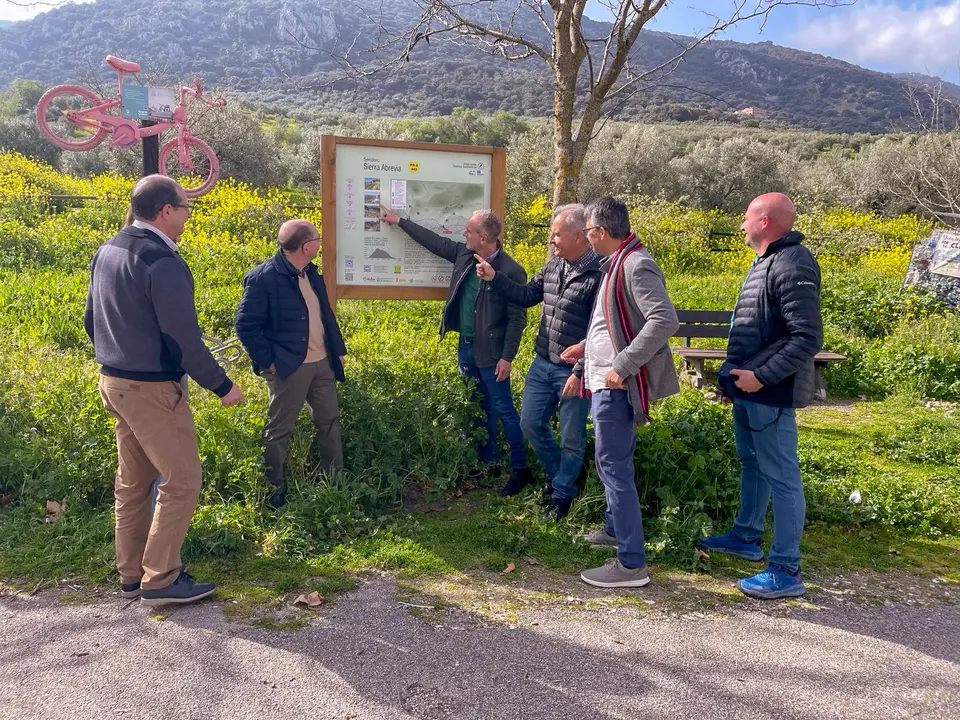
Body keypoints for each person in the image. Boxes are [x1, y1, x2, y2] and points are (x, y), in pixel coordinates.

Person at [85, 175, 244, 607]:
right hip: (152, 389)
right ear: (166, 211)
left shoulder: (109, 248)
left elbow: (90, 318)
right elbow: (183, 340)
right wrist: (223, 386)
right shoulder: (163, 261)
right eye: (186, 207)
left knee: (133, 484)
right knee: (183, 481)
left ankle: (132, 575)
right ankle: (161, 579)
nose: (189, 216)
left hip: (114, 381)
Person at [700, 192, 822, 600]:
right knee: (752, 464)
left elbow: (806, 337)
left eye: (746, 217)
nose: (740, 225)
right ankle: (746, 537)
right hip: (750, 390)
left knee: (783, 478)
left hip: (770, 393)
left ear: (765, 221)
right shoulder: (767, 261)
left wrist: (761, 377)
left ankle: (786, 569)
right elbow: (756, 330)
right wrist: (733, 381)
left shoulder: (793, 262)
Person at [562, 196, 679, 589]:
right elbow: (610, 322)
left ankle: (631, 564)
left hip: (616, 384)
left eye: (590, 232)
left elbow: (664, 319)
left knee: (614, 466)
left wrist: (622, 365)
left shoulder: (636, 264)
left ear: (602, 232)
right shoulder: (617, 262)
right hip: (602, 379)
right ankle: (614, 530)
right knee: (608, 461)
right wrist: (586, 351)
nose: (588, 238)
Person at [380, 205, 532, 494]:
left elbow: (517, 318)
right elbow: (436, 242)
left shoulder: (511, 271)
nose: (464, 234)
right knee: (475, 405)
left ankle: (520, 469)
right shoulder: (465, 254)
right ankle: (485, 461)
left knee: (503, 409)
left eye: (470, 231)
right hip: (465, 347)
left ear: (485, 238)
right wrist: (400, 221)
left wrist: (507, 358)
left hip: (492, 354)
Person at [474, 204, 602, 520]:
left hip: (573, 371)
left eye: (556, 235)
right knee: (530, 423)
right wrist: (495, 278)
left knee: (572, 437)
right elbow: (527, 295)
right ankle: (560, 476)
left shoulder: (600, 273)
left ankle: (561, 495)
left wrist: (580, 371)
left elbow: (599, 331)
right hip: (543, 363)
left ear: (577, 236)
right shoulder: (554, 266)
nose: (551, 241)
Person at [235, 219, 347, 510]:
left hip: (322, 363)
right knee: (279, 429)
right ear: (307, 246)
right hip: (288, 367)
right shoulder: (263, 278)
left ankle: (335, 482)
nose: (320, 244)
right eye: (317, 240)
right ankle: (274, 491)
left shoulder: (311, 273)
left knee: (329, 422)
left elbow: (325, 315)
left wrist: (337, 349)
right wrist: (269, 362)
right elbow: (246, 326)